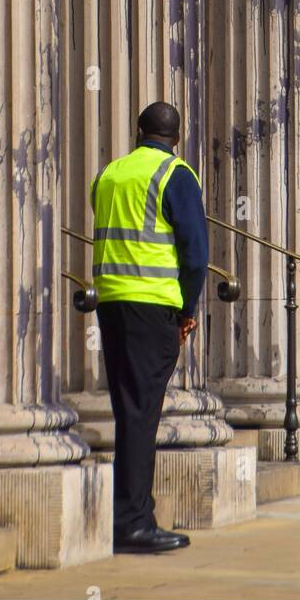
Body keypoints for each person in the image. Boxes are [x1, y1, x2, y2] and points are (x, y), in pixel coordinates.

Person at [91, 100, 208, 553]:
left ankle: (129, 512)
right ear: (177, 137)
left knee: (128, 412)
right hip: (152, 305)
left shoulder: (109, 174)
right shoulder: (176, 175)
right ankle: (134, 522)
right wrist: (187, 309)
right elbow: (195, 255)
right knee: (142, 414)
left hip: (111, 302)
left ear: (138, 130)